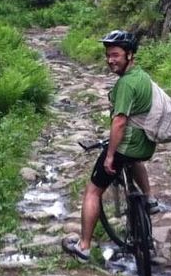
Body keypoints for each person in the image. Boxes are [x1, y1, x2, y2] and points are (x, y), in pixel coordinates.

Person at [62, 30, 158, 262]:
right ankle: (148, 198)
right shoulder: (143, 76)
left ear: (130, 55)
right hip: (144, 144)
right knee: (133, 161)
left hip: (126, 145)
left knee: (93, 191)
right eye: (108, 55)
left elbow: (120, 122)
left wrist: (110, 155)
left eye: (115, 55)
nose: (110, 60)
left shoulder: (126, 84)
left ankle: (83, 247)